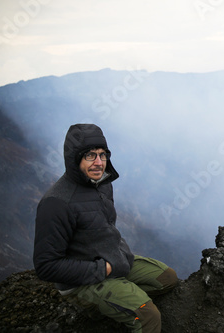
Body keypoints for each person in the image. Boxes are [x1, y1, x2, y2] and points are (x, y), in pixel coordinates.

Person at [33, 124, 177, 333]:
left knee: (167, 278)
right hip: (82, 282)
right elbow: (46, 266)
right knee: (148, 315)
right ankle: (107, 303)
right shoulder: (56, 203)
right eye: (90, 155)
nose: (99, 163)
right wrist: (103, 269)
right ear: (74, 159)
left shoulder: (102, 184)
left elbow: (105, 229)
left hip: (114, 261)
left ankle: (115, 303)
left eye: (103, 155)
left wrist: (118, 257)